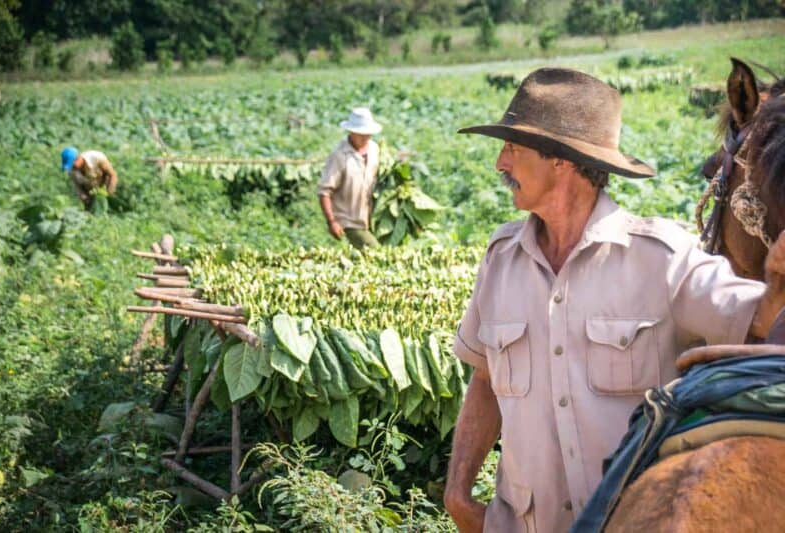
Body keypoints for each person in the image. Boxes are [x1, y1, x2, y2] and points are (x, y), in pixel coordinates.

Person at [443, 68, 785, 532]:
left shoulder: (661, 257)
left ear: (562, 160)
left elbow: (758, 321)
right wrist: (458, 492)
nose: (500, 163)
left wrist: (776, 276)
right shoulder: (501, 262)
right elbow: (484, 377)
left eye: (513, 148)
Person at [318, 107, 382, 250]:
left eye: (368, 134)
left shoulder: (374, 149)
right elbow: (324, 192)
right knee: (376, 253)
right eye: (361, 134)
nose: (365, 138)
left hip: (370, 220)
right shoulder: (340, 155)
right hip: (348, 221)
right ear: (351, 132)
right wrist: (332, 221)